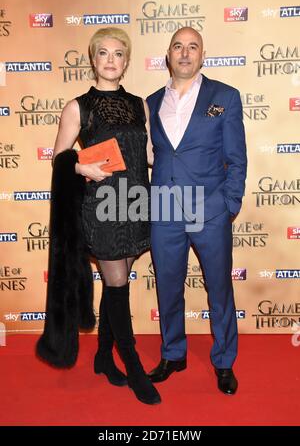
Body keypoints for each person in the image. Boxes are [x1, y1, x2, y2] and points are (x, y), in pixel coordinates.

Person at [50, 27, 160, 405]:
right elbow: (60, 157)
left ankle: (101, 356)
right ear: (93, 59)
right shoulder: (78, 106)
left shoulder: (139, 104)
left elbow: (145, 154)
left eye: (118, 54)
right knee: (117, 285)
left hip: (135, 202)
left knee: (118, 283)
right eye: (103, 53)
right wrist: (83, 168)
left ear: (126, 61)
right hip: (102, 206)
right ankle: (130, 364)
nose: (111, 60)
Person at [146, 27, 247, 395]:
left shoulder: (225, 96)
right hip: (165, 212)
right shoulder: (152, 101)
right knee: (168, 287)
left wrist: (228, 205)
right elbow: (149, 156)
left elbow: (237, 159)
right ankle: (173, 353)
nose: (185, 53)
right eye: (178, 46)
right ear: (168, 55)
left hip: (210, 210)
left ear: (202, 55)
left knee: (219, 288)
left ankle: (224, 361)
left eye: (192, 47)